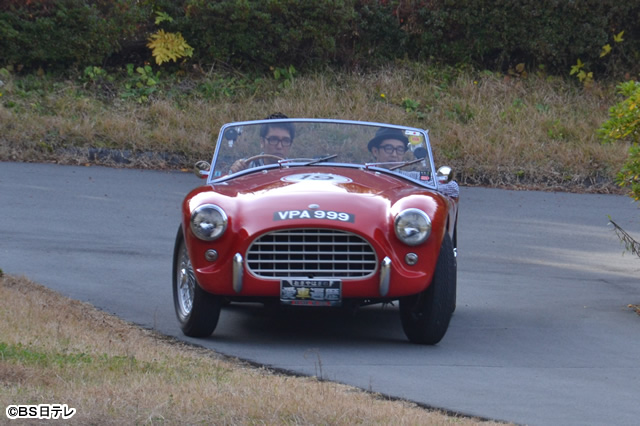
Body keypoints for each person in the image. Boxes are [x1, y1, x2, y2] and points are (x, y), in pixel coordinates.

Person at [367, 127, 459, 198]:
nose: (394, 154)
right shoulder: (364, 176)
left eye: (399, 149)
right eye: (388, 148)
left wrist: (410, 188)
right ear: (375, 151)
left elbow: (452, 187)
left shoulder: (411, 178)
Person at [229, 113, 295, 173]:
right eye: (273, 139)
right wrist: (237, 171)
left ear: (291, 144)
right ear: (262, 142)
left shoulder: (296, 171)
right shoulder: (246, 167)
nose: (279, 146)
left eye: (285, 141)